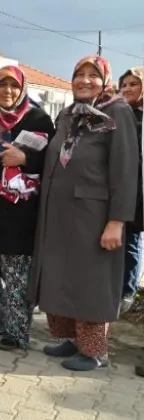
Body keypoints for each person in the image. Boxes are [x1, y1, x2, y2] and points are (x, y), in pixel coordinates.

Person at [29, 55, 138, 371]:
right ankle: (73, 340)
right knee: (63, 276)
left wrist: (117, 221)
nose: (85, 81)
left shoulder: (117, 113)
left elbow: (126, 170)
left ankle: (95, 352)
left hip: (94, 216)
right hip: (60, 213)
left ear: (105, 80)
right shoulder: (68, 113)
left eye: (93, 75)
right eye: (79, 74)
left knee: (91, 281)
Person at [0, 66, 55, 351]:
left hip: (17, 210)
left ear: (22, 89)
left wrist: (24, 158)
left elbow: (52, 162)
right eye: (1, 85)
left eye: (13, 86)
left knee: (16, 273)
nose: (7, 91)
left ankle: (16, 332)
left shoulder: (38, 119)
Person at [118, 67, 144, 313]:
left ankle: (128, 289)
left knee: (133, 240)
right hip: (121, 185)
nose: (127, 89)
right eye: (124, 84)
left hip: (139, 191)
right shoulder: (120, 114)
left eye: (133, 84)